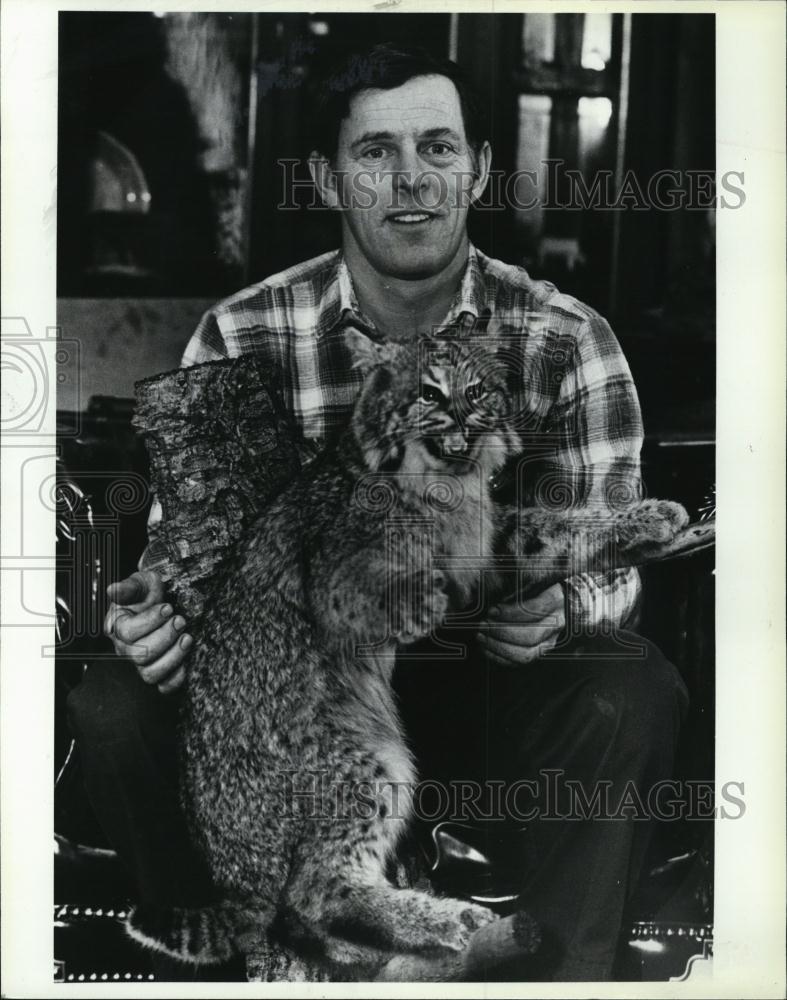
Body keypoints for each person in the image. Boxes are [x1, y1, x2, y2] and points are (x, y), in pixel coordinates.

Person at [67, 43, 688, 982]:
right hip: (309, 700)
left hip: (487, 684)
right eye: (374, 153)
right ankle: (254, 955)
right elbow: (185, 555)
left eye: (438, 149)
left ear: (479, 168)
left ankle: (562, 972)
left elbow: (611, 557)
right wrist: (153, 613)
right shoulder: (243, 333)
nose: (410, 181)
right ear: (325, 178)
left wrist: (568, 608)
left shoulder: (565, 338)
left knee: (629, 687)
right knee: (112, 704)